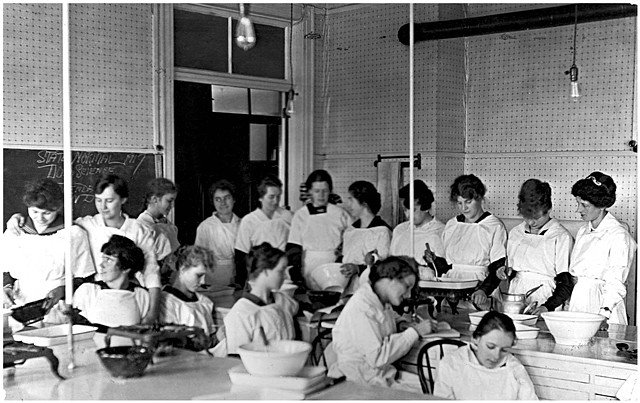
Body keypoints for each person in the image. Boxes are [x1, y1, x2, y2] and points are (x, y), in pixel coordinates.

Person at [328, 256, 435, 390]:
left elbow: (387, 318)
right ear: (388, 279)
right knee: (429, 391)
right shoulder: (362, 307)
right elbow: (377, 357)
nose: (408, 295)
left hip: (378, 375)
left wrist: (401, 324)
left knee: (432, 386)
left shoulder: (379, 299)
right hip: (358, 381)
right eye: (407, 287)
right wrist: (415, 332)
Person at [3, 179, 94, 314]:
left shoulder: (73, 234)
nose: (40, 218)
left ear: (57, 208)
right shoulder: (16, 231)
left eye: (47, 213)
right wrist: (6, 287)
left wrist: (62, 291)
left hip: (58, 306)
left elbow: (85, 277)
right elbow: (5, 269)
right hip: (19, 302)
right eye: (34, 212)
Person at [566, 172, 636, 324]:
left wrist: (604, 313)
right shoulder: (583, 231)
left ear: (602, 205)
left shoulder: (618, 235)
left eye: (584, 205)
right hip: (579, 302)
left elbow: (616, 282)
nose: (578, 210)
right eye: (577, 203)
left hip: (602, 306)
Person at [497, 179, 575, 314]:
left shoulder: (560, 237)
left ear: (549, 209)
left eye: (536, 217)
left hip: (546, 298)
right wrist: (504, 271)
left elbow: (566, 283)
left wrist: (547, 306)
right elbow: (513, 271)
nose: (531, 222)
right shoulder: (516, 233)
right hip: (515, 297)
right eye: (527, 216)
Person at [433, 311, 538, 399]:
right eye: (490, 346)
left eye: (504, 350)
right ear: (475, 339)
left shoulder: (514, 370)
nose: (496, 356)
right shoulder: (452, 364)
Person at [439, 174, 507, 309]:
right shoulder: (452, 225)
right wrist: (433, 260)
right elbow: (446, 264)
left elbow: (498, 267)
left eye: (468, 202)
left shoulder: (494, 226)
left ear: (480, 198)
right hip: (451, 290)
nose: (464, 208)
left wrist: (483, 290)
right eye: (459, 203)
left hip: (480, 293)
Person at [221, 243, 298, 355]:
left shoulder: (284, 301)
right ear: (265, 271)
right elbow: (237, 360)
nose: (287, 276)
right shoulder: (241, 313)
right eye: (281, 271)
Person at [66, 235, 150, 327]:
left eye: (109, 260)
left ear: (126, 268)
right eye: (103, 259)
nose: (101, 265)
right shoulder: (88, 291)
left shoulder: (141, 295)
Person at [286, 170, 350, 290]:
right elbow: (294, 246)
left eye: (324, 191)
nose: (321, 195)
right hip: (309, 267)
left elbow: (350, 240)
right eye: (317, 191)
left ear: (330, 191)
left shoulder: (340, 214)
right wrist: (296, 273)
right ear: (310, 191)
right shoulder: (301, 215)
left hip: (335, 267)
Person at [234, 175, 293, 289]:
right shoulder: (249, 221)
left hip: (283, 277)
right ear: (261, 197)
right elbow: (241, 255)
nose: (276, 201)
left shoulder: (288, 217)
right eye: (271, 197)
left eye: (278, 196)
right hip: (259, 277)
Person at [159, 245, 217, 347]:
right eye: (198, 276)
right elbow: (172, 343)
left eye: (205, 276)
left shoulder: (205, 302)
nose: (203, 282)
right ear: (182, 269)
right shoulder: (167, 302)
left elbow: (211, 336)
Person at [339, 181, 393, 286]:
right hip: (347, 290)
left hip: (370, 290)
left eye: (351, 199)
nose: (348, 204)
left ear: (364, 204)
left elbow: (384, 268)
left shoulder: (382, 232)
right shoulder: (350, 231)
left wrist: (357, 268)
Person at [390, 180, 446, 280]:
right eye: (405, 210)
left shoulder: (441, 232)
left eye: (413, 210)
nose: (407, 215)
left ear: (425, 206)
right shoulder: (400, 230)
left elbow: (442, 271)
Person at [194, 180, 241, 288]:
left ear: (234, 199)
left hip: (239, 279)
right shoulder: (205, 227)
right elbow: (199, 259)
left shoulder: (243, 225)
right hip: (213, 279)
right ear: (213, 202)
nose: (223, 203)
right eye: (218, 199)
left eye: (227, 198)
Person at [137, 177, 179, 283]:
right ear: (155, 199)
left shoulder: (167, 224)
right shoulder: (142, 226)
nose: (172, 206)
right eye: (169, 201)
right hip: (151, 281)